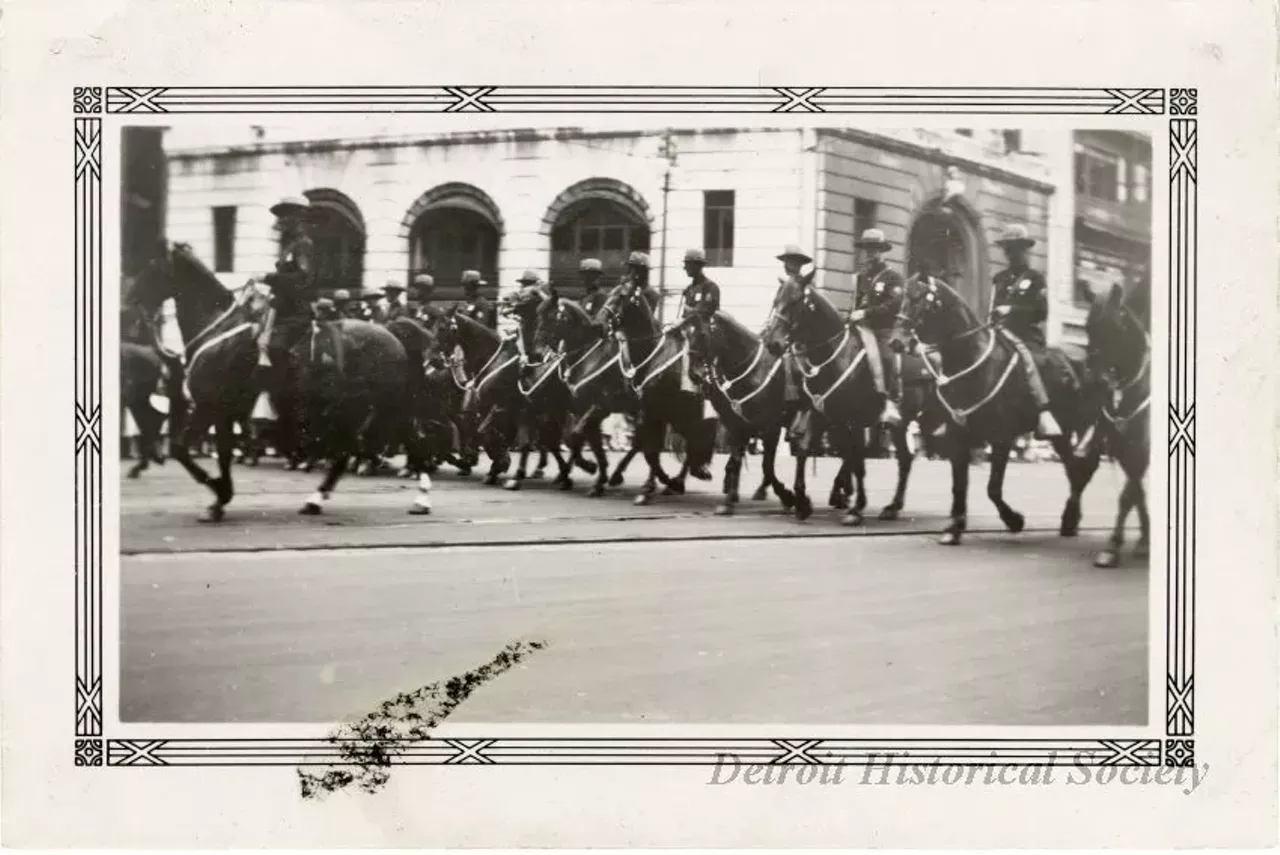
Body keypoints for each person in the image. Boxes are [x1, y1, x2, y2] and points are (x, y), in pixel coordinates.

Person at [989, 224, 1063, 438]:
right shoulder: (999, 278)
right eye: (1007, 248)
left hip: (1026, 335)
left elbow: (1041, 312)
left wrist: (1011, 310)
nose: (1010, 253)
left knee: (1027, 360)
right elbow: (992, 306)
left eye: (1015, 248)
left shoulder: (1035, 278)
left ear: (1024, 250)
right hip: (1000, 334)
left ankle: (1043, 411)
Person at [847, 228, 904, 426]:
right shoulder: (860, 277)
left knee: (887, 358)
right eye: (867, 249)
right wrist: (851, 317)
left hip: (881, 329)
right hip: (859, 329)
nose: (871, 253)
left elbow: (893, 305)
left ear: (882, 251)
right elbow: (854, 304)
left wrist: (866, 313)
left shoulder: (892, 277)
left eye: (875, 249)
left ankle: (891, 402)